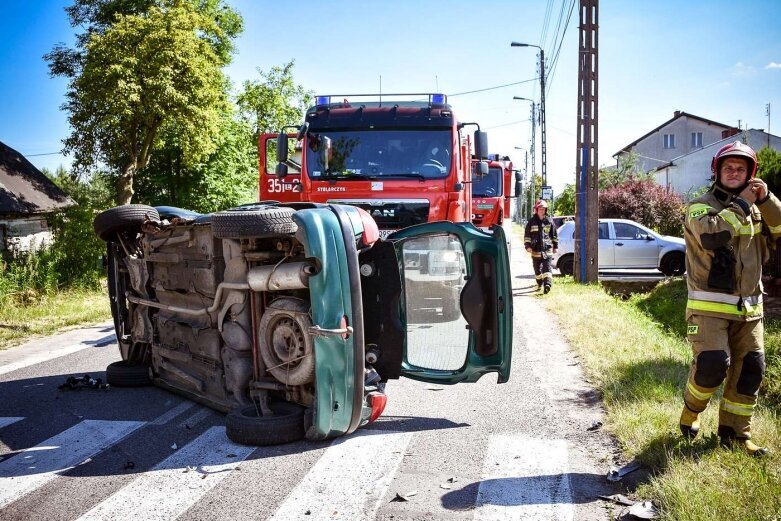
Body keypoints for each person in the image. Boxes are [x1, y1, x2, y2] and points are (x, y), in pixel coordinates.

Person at [679, 141, 781, 457]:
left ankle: (735, 434)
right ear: (718, 171)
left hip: (750, 308)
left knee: (751, 369)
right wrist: (742, 204)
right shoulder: (699, 205)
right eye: (728, 167)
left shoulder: (756, 208)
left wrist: (766, 199)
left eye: (741, 168)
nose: (734, 172)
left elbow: (778, 227)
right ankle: (692, 411)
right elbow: (713, 236)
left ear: (750, 173)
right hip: (708, 308)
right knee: (712, 366)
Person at [524, 200, 558, 293]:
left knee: (547, 267)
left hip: (547, 249)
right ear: (536, 210)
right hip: (535, 250)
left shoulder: (549, 221)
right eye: (540, 209)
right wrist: (528, 246)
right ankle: (539, 282)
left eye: (543, 209)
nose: (541, 211)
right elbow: (527, 236)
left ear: (545, 210)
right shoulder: (531, 222)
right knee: (537, 269)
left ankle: (547, 285)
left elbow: (554, 235)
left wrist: (555, 246)